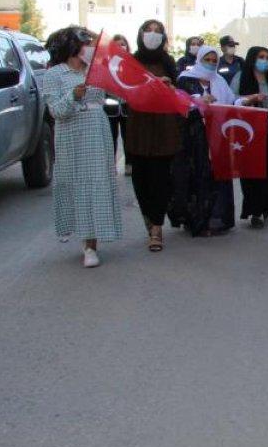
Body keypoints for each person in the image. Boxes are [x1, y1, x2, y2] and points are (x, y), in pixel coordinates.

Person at [42, 27, 124, 268]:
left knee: (96, 184)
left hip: (97, 132)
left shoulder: (97, 71)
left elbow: (121, 90)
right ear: (71, 47)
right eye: (85, 43)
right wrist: (73, 96)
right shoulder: (55, 75)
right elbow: (56, 111)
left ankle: (91, 245)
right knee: (75, 183)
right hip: (70, 135)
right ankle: (77, 231)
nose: (89, 47)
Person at [173, 45, 242, 237]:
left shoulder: (219, 81)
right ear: (199, 59)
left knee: (217, 177)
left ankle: (217, 219)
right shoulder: (186, 79)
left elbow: (231, 103)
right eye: (207, 60)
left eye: (214, 61)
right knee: (197, 177)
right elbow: (181, 104)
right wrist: (200, 101)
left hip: (217, 136)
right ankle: (196, 221)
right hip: (194, 138)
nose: (211, 64)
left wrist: (245, 101)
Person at [125, 19, 181, 252]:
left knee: (161, 179)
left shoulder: (168, 63)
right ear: (140, 34)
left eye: (158, 31)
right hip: (139, 128)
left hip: (163, 128)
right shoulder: (131, 62)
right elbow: (124, 89)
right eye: (148, 30)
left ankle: (157, 227)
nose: (153, 34)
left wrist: (168, 87)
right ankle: (149, 217)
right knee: (141, 180)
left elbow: (179, 94)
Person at [231, 46, 268, 228]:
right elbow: (232, 99)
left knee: (267, 170)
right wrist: (250, 99)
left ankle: (264, 205)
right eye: (261, 57)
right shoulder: (241, 77)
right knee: (250, 170)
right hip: (248, 132)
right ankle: (253, 209)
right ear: (252, 59)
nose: (265, 61)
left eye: (267, 57)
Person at [105, 34, 131, 172]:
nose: (121, 47)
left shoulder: (132, 63)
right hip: (110, 106)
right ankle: (111, 165)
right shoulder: (106, 63)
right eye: (117, 44)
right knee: (110, 137)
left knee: (128, 137)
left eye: (123, 44)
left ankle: (129, 164)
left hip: (127, 106)